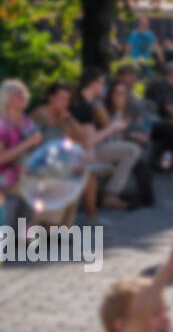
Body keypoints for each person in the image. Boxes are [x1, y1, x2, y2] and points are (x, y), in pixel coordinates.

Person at [30, 83, 107, 223]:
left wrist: (68, 120)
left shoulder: (65, 117)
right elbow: (34, 144)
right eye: (60, 98)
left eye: (67, 99)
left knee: (87, 173)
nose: (63, 102)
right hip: (43, 161)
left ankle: (88, 216)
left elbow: (82, 138)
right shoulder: (39, 115)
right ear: (50, 97)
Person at [71, 69, 140, 210]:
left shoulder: (90, 103)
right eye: (102, 84)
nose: (104, 88)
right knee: (132, 150)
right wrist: (113, 127)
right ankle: (110, 194)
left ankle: (110, 193)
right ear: (93, 84)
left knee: (131, 150)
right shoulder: (83, 106)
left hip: (87, 150)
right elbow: (90, 141)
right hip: (81, 152)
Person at [0, 79, 44, 233]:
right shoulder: (2, 124)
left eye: (24, 92)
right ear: (7, 98)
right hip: (6, 176)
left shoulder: (26, 122)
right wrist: (28, 143)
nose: (24, 96)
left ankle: (42, 227)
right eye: (18, 93)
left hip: (24, 171)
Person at [106, 79, 155, 208]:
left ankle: (143, 198)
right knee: (134, 152)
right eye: (117, 94)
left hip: (116, 147)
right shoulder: (106, 112)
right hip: (102, 149)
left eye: (123, 94)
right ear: (110, 95)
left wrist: (133, 136)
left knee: (142, 160)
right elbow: (108, 135)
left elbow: (119, 135)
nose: (121, 97)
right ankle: (111, 195)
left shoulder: (122, 112)